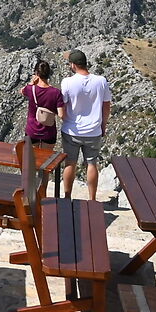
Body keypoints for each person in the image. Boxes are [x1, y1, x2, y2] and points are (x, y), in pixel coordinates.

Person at [57, 50, 112, 201]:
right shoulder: (101, 81)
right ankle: (92, 199)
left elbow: (63, 105)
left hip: (71, 130)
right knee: (92, 164)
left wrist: (66, 120)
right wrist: (103, 125)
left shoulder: (67, 82)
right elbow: (106, 105)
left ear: (73, 65)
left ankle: (67, 196)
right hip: (93, 131)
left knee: (70, 163)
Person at [22, 59, 64, 154]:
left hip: (32, 130)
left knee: (31, 160)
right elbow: (61, 114)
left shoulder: (30, 89)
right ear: (49, 73)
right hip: (48, 132)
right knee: (46, 160)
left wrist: (32, 83)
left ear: (36, 73)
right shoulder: (56, 93)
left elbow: (22, 91)